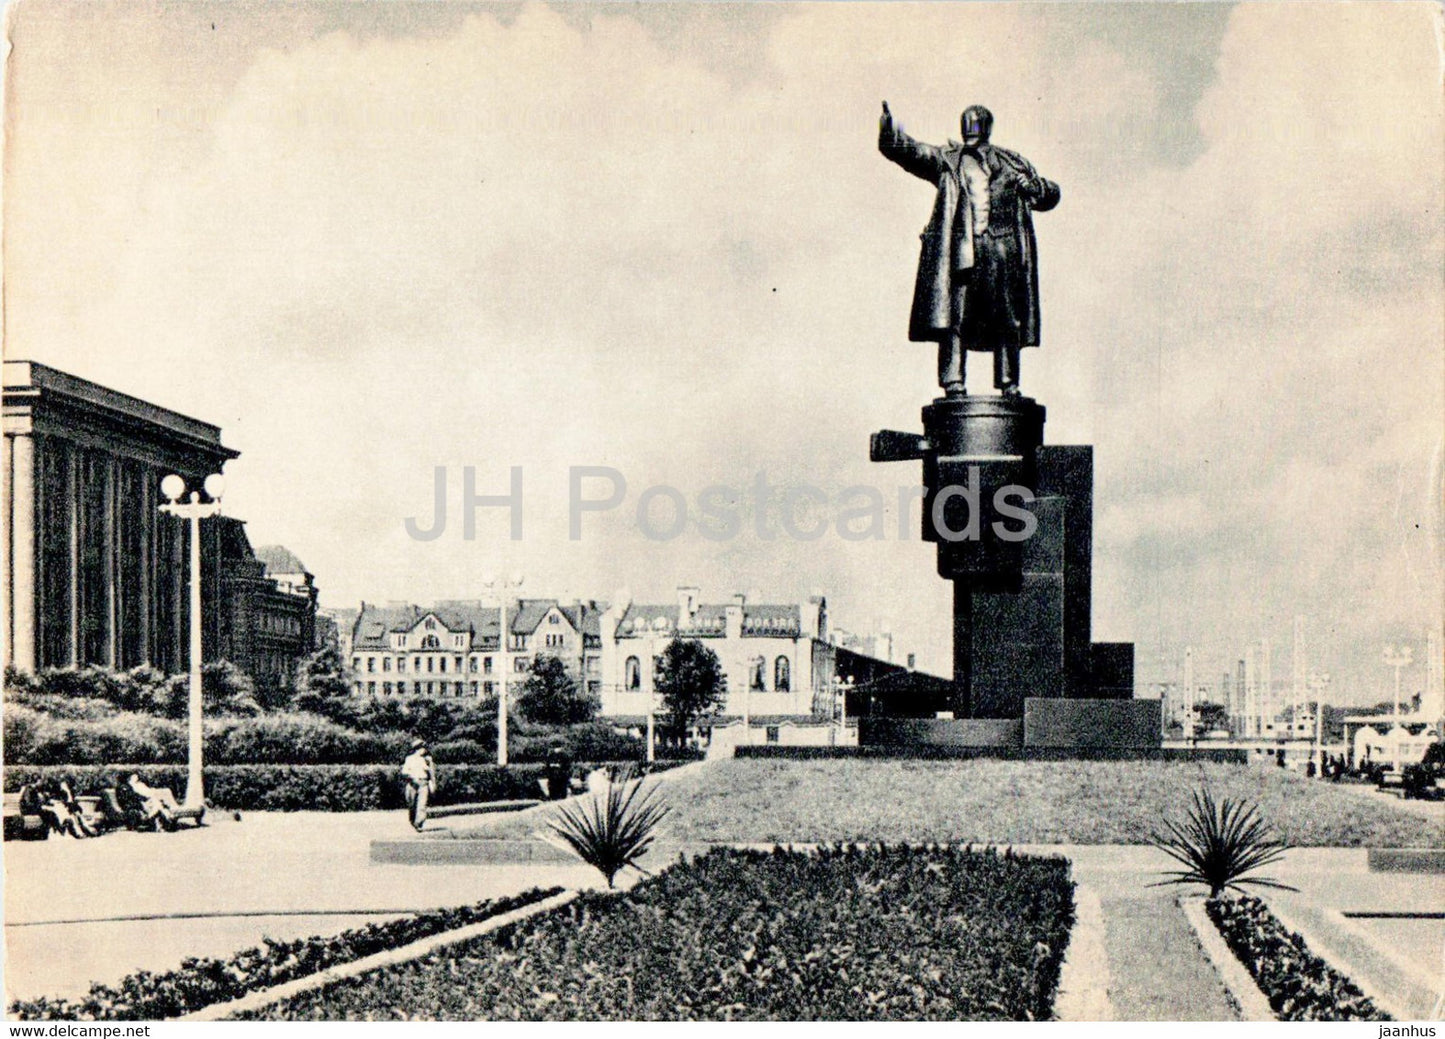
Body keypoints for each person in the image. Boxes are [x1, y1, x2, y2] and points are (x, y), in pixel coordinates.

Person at [879, 101, 1060, 397]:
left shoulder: (1013, 162)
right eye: (967, 124)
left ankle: (1009, 383)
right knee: (956, 316)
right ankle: (953, 380)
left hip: (1004, 250)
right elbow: (912, 152)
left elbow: (1050, 193)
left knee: (1007, 319)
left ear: (987, 127)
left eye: (976, 124)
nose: (971, 129)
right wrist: (889, 131)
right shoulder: (947, 159)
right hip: (963, 252)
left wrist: (1037, 188)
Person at [400, 738, 436, 831]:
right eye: (422, 748)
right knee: (412, 804)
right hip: (412, 783)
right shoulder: (409, 759)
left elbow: (431, 773)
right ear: (417, 749)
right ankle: (413, 821)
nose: (424, 750)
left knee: (422, 804)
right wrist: (412, 777)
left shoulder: (427, 759)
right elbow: (404, 771)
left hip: (423, 784)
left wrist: (433, 783)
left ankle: (418, 823)